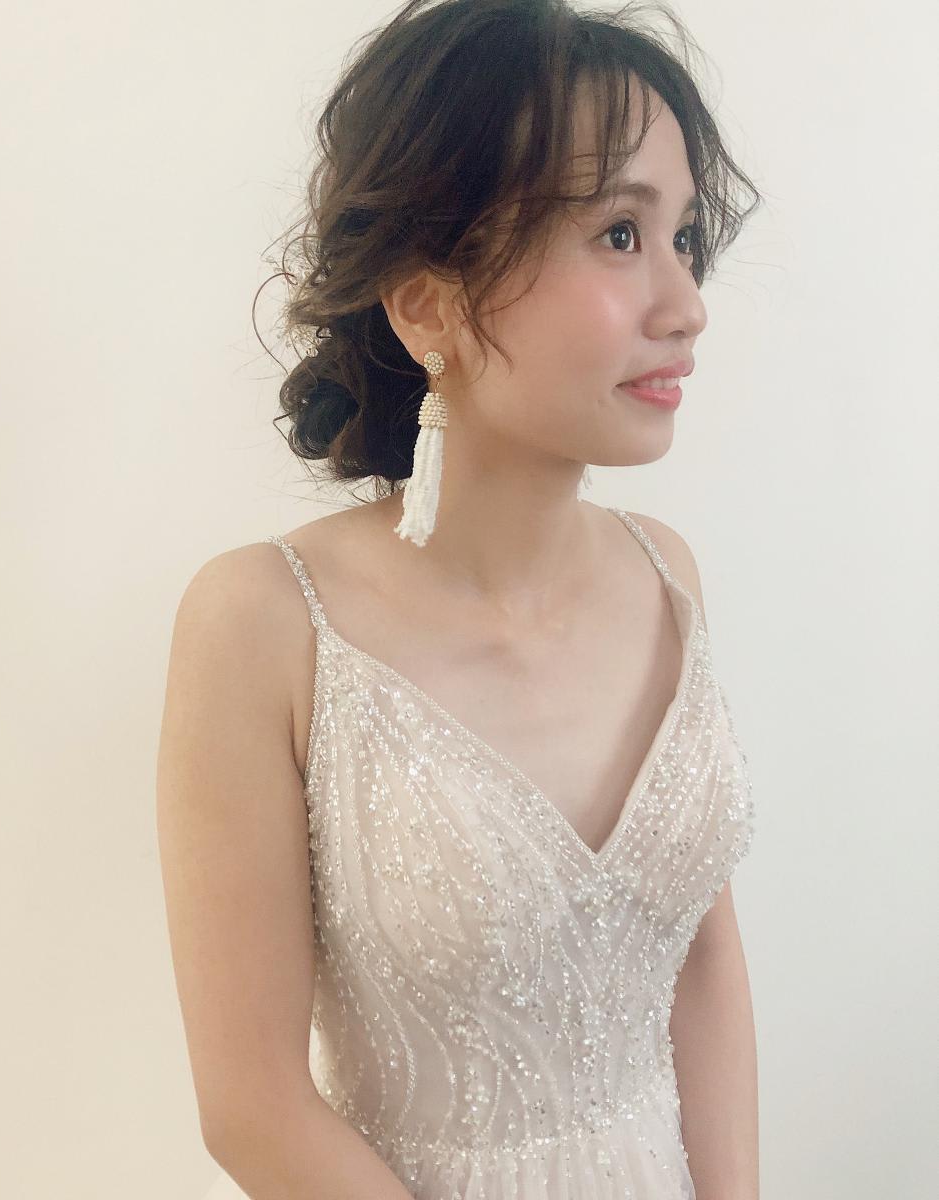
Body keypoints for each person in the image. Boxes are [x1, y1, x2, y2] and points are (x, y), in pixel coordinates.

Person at [157, 1, 763, 1196]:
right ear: (426, 302)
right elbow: (250, 1106)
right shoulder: (265, 624)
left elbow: (701, 962)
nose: (685, 301)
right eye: (617, 233)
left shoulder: (666, 577)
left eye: (683, 235)